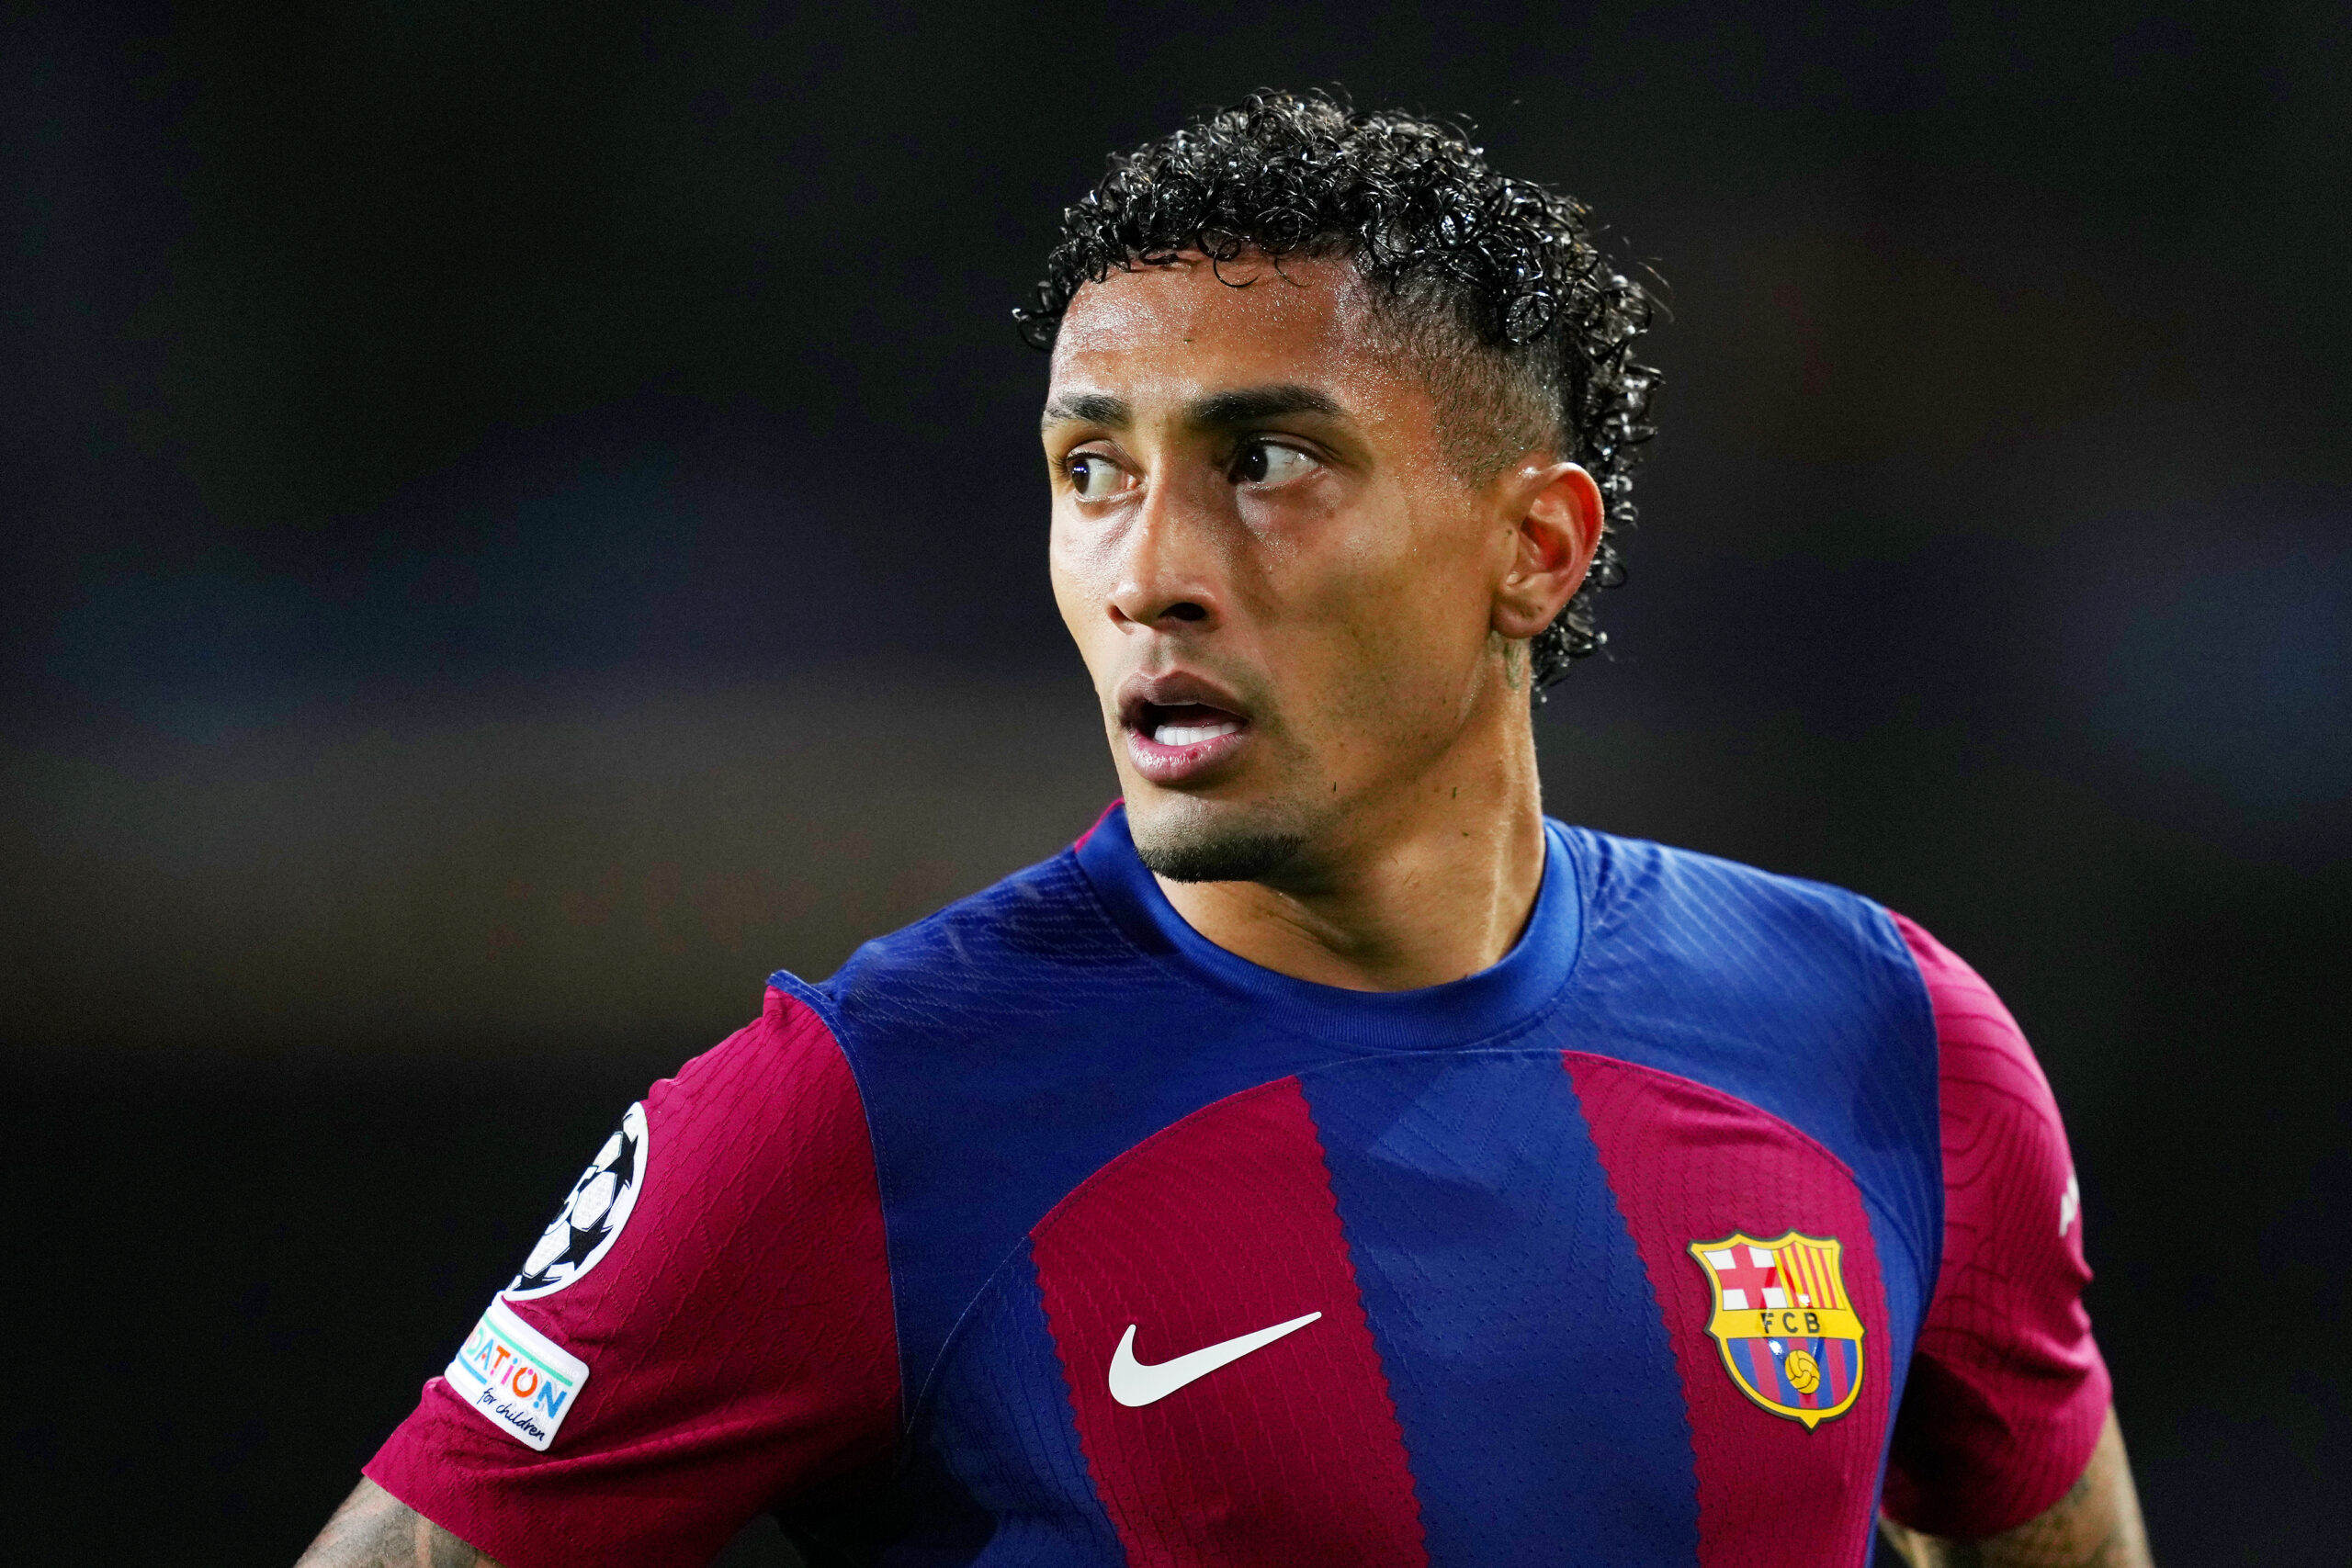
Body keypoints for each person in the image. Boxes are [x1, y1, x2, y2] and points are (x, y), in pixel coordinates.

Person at [296, 91, 2150, 1568]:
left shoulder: (1879, 1035)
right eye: (1090, 472)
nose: (1147, 572)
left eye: (1265, 462)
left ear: (1536, 545)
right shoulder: (856, 1107)